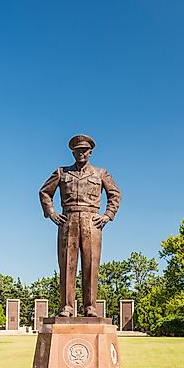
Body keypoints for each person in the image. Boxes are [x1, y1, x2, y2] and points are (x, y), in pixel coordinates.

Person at [39, 134, 121, 317]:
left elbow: (115, 194)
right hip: (68, 220)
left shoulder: (101, 173)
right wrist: (51, 213)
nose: (81, 153)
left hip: (92, 221)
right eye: (78, 151)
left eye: (84, 150)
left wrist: (108, 215)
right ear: (73, 152)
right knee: (67, 264)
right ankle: (67, 307)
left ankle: (90, 307)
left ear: (90, 153)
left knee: (91, 265)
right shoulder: (62, 172)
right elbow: (45, 192)